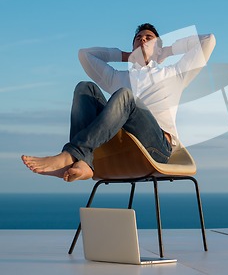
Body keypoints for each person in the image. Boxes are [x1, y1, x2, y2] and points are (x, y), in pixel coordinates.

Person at [22, 23, 216, 182]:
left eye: (149, 38)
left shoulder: (174, 74)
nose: (143, 40)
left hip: (156, 147)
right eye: (138, 39)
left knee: (126, 96)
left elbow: (208, 41)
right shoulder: (118, 77)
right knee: (84, 88)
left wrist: (167, 50)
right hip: (121, 145)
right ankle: (83, 162)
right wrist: (126, 56)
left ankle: (71, 155)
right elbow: (85, 55)